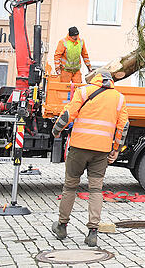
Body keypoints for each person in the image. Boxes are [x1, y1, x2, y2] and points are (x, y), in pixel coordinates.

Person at [50, 71, 129, 247]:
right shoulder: (119, 98)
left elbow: (68, 113)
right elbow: (123, 126)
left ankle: (62, 226)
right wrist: (116, 149)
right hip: (101, 151)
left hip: (79, 148)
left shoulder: (83, 91)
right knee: (95, 190)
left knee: (70, 186)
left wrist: (56, 131)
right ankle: (93, 231)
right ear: (111, 81)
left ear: (96, 79)